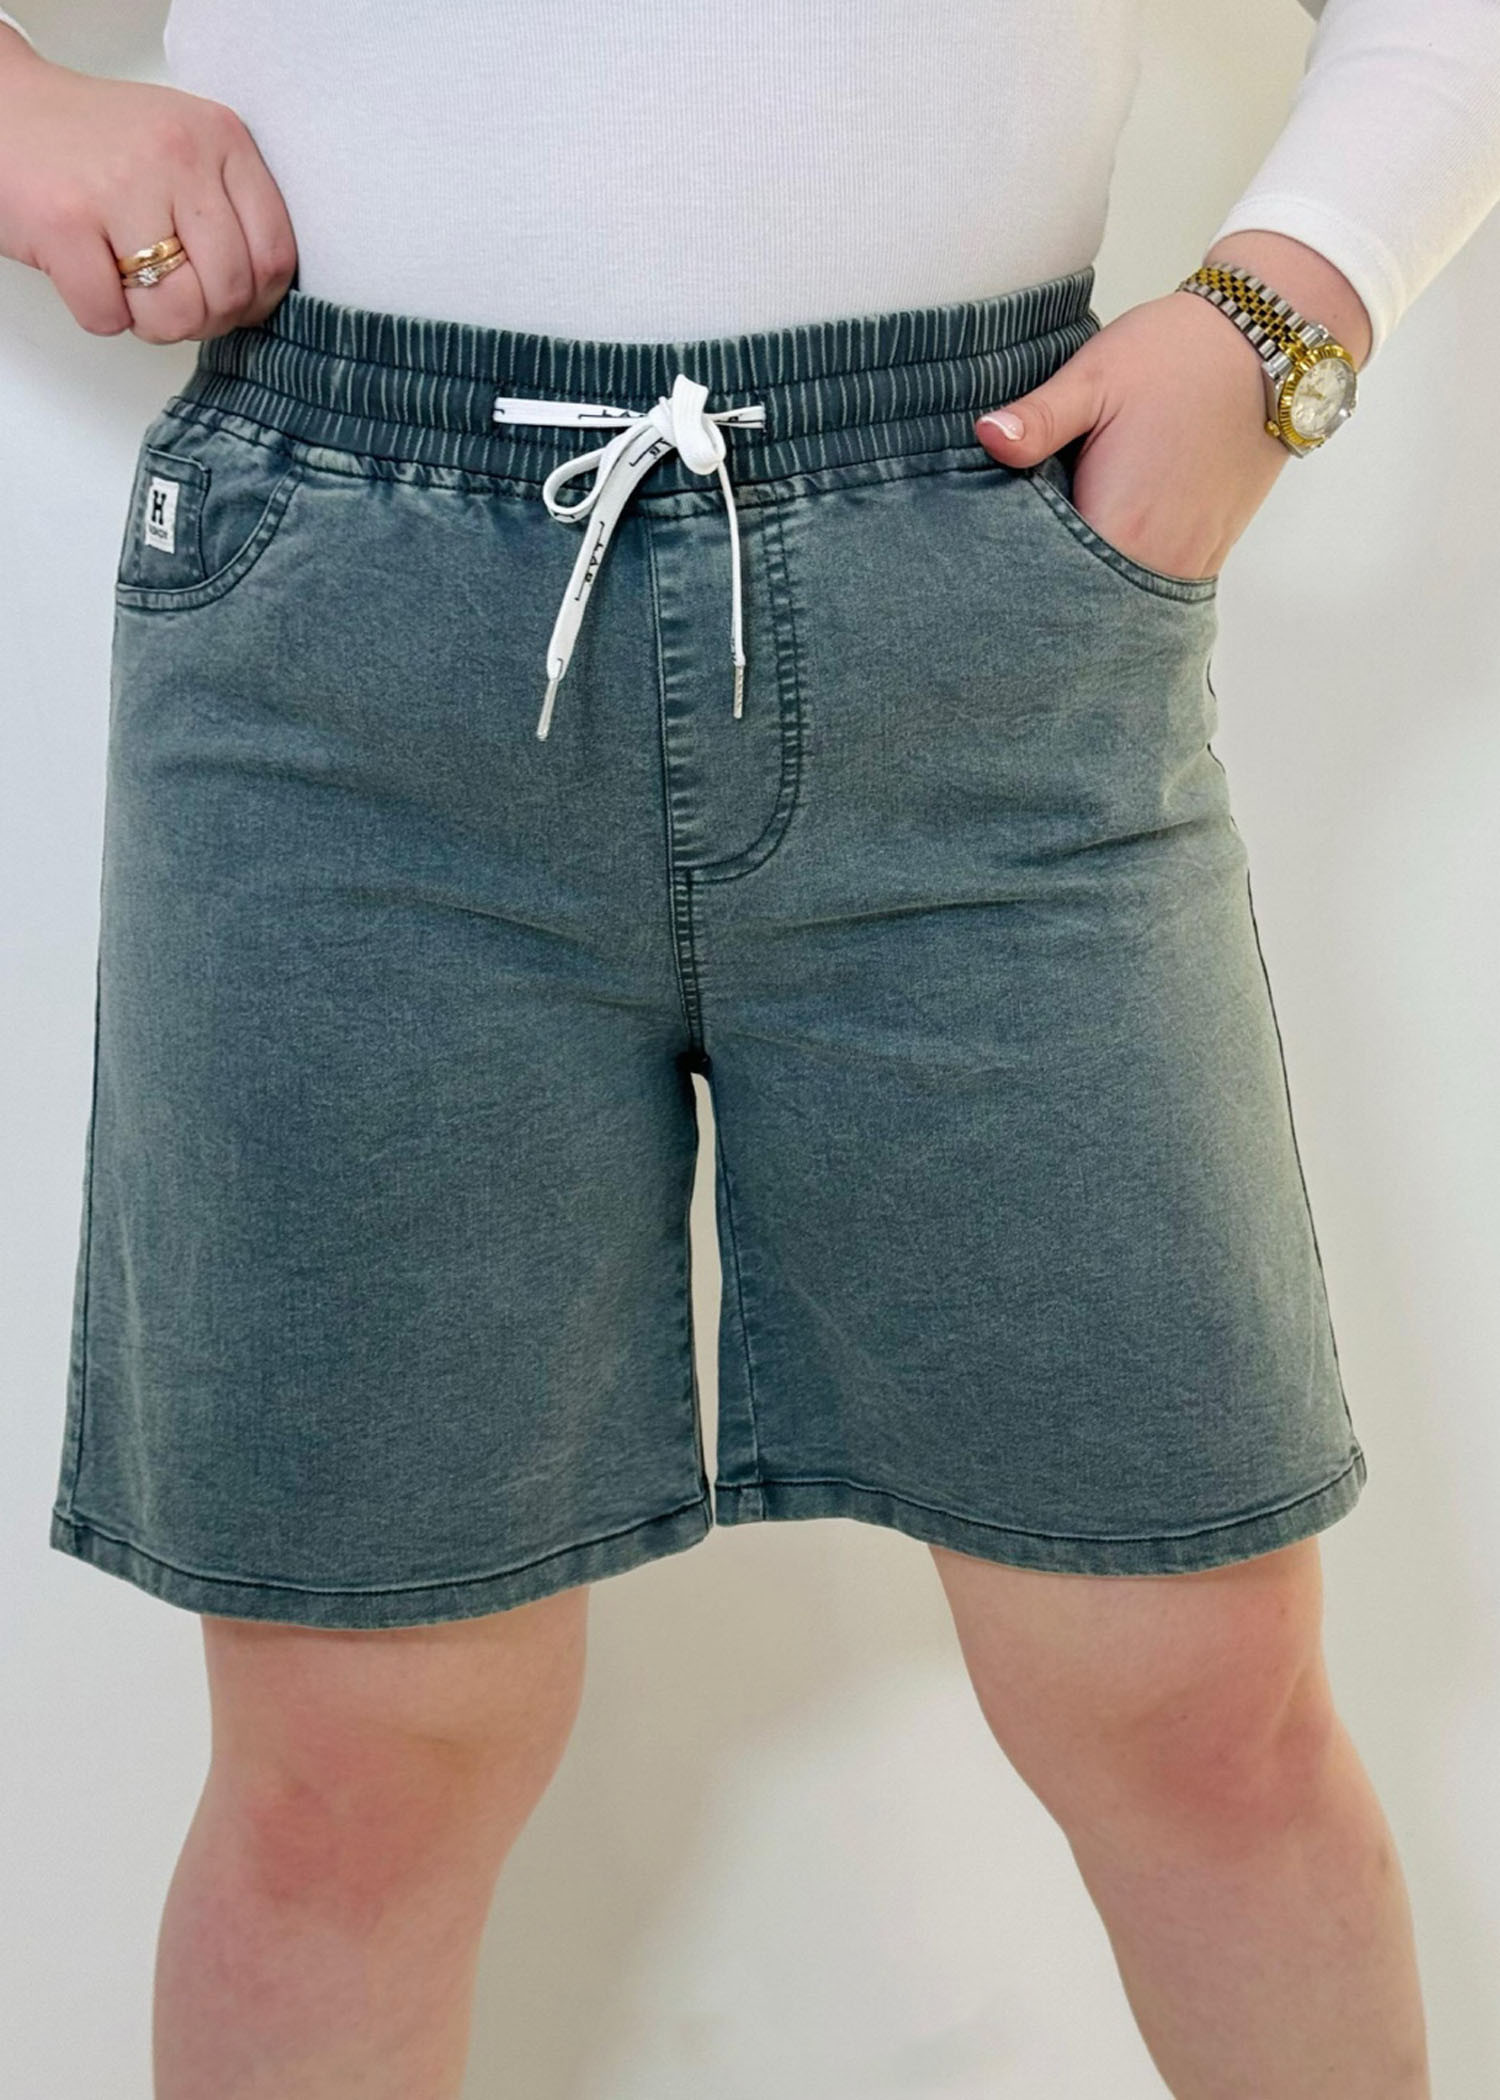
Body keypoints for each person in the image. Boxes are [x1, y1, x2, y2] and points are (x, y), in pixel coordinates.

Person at [3, 4, 1496, 2095]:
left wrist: (1288, 310)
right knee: (355, 1769)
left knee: (1196, 1708)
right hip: (348, 651)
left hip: (981, 609)